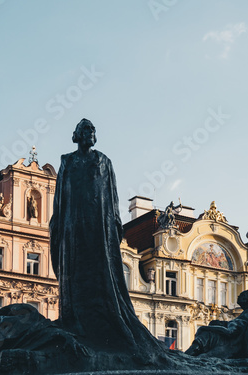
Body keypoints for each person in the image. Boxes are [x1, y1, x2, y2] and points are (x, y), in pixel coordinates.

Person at [50, 119, 164, 353]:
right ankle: (76, 321)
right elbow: (60, 198)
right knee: (75, 273)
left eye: (93, 130)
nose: (91, 133)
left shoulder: (104, 161)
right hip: (73, 227)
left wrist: (114, 224)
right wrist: (58, 225)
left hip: (97, 227)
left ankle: (101, 323)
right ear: (78, 135)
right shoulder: (67, 161)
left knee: (100, 273)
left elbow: (112, 196)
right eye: (86, 130)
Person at [185, 290, 248, 358]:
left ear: (246, 299)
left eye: (241, 295)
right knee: (207, 334)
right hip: (230, 341)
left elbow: (231, 331)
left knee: (206, 334)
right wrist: (221, 323)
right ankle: (188, 355)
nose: (238, 297)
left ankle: (187, 356)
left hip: (231, 344)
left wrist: (206, 328)